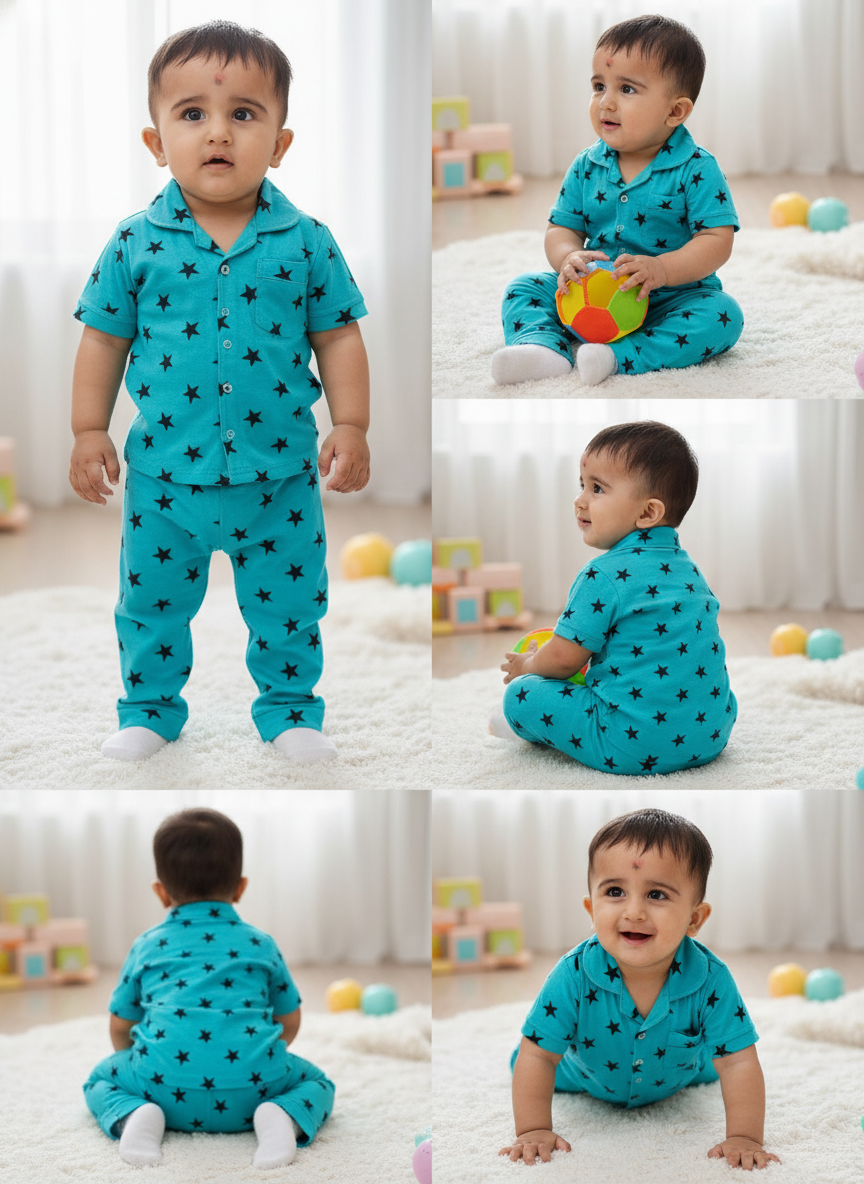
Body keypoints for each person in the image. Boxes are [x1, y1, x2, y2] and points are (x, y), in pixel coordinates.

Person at [69, 20, 369, 764]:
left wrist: (353, 423)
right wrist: (87, 430)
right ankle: (149, 709)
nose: (218, 133)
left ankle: (292, 712)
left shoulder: (306, 242)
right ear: (156, 141)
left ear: (280, 142)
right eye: (192, 113)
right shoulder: (136, 243)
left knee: (291, 608)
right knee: (149, 609)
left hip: (279, 477)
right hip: (167, 480)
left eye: (244, 113)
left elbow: (337, 337)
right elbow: (103, 340)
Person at [501, 808, 780, 1171]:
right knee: (526, 1058)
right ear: (591, 908)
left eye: (657, 895)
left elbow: (740, 1062)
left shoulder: (711, 978)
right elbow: (538, 1058)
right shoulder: (573, 973)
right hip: (582, 1074)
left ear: (694, 919)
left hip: (683, 1072)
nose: (634, 911)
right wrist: (533, 1129)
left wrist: (745, 1137)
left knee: (718, 1061)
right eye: (615, 891)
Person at [491, 14, 742, 387]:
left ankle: (618, 356)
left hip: (670, 299)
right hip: (590, 293)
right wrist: (567, 258)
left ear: (675, 111)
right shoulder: (586, 165)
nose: (605, 102)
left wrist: (663, 271)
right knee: (523, 287)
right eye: (598, 86)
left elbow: (716, 240)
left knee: (724, 316)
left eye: (626, 90)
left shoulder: (696, 168)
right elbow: (562, 227)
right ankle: (544, 349)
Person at [83, 807, 332, 1169]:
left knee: (98, 1079)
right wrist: (258, 1060)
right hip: (256, 1086)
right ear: (241, 887)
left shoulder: (146, 945)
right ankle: (281, 1116)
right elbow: (290, 1019)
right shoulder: (262, 944)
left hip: (162, 1089)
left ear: (161, 892)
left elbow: (120, 1026)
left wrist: (140, 1067)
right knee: (318, 1082)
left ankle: (136, 1114)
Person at [492, 421, 736, 774]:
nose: (579, 500)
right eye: (582, 486)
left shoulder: (602, 575)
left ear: (648, 512)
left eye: (597, 489)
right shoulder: (691, 571)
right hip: (711, 735)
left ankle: (533, 731)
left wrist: (527, 667)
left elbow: (562, 659)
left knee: (522, 696)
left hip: (630, 743)